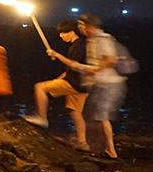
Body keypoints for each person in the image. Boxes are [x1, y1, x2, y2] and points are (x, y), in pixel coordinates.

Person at [49, 13, 123, 159]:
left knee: (100, 118)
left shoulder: (101, 40)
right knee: (95, 117)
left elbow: (110, 60)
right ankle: (101, 148)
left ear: (89, 26)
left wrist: (96, 70)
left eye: (82, 25)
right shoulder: (91, 41)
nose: (80, 28)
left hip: (106, 84)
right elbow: (75, 65)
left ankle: (110, 151)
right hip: (97, 84)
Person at [27, 19, 88, 146]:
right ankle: (83, 143)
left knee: (40, 87)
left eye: (63, 33)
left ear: (71, 32)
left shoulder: (78, 45)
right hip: (83, 85)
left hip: (74, 83)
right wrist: (61, 77)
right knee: (75, 112)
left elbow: (74, 65)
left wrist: (57, 55)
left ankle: (42, 118)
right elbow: (72, 68)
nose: (61, 36)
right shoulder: (78, 45)